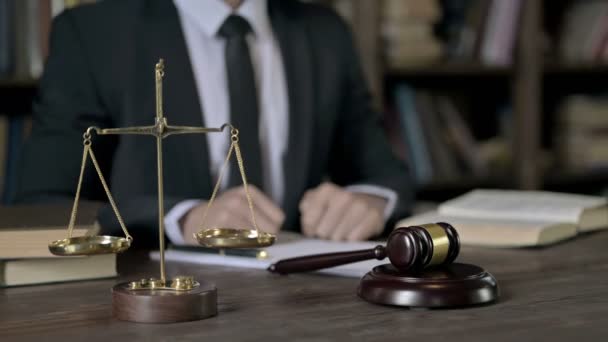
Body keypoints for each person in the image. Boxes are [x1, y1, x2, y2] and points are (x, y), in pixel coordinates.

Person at [16, 0, 412, 245]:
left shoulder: (326, 33)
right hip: (156, 307)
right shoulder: (94, 34)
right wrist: (181, 218)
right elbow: (40, 204)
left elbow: (385, 173)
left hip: (302, 301)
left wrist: (371, 201)